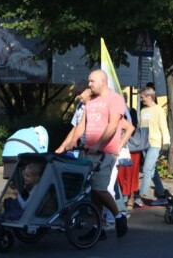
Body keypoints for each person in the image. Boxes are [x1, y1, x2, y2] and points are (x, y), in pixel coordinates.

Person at [66, 69, 128, 239]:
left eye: (92, 81)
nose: (89, 84)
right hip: (88, 151)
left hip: (104, 152)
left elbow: (114, 124)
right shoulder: (91, 102)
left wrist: (99, 144)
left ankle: (119, 217)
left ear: (103, 81)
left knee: (100, 189)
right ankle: (97, 227)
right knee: (93, 192)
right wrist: (72, 141)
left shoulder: (115, 99)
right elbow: (82, 124)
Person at [134, 87, 171, 207]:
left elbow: (163, 127)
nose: (142, 99)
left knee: (146, 169)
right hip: (144, 144)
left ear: (150, 97)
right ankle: (162, 196)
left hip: (155, 144)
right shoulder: (143, 110)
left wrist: (166, 143)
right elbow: (141, 128)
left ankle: (140, 196)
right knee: (153, 171)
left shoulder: (159, 110)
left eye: (143, 97)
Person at [55, 81, 92, 153]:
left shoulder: (97, 105)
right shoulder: (79, 106)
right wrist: (62, 147)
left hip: (95, 148)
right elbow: (75, 127)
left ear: (89, 91)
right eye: (77, 93)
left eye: (80, 93)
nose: (77, 96)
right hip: (83, 146)